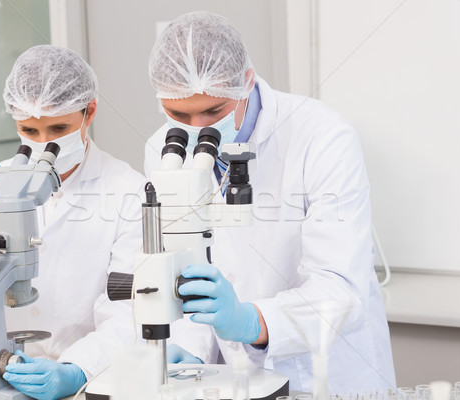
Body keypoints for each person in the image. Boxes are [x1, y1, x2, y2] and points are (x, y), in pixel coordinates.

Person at [144, 11, 397, 394]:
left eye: (214, 111)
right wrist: (188, 345)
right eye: (178, 113)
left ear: (246, 82)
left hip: (327, 373)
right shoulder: (160, 149)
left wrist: (251, 320)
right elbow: (185, 264)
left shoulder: (323, 138)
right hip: (232, 375)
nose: (197, 129)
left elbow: (342, 291)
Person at [0, 45, 145, 400]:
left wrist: (76, 369)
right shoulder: (0, 184)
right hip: (7, 375)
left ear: (89, 112)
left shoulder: (128, 191)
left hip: (93, 381)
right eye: (29, 131)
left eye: (59, 127)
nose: (44, 143)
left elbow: (132, 314)